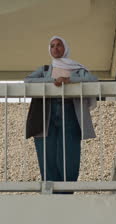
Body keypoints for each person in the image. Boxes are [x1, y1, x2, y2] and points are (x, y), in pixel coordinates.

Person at [24, 36, 97, 193]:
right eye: (52, 46)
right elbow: (27, 81)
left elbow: (93, 80)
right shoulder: (45, 70)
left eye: (59, 45)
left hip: (70, 109)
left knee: (70, 151)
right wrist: (52, 81)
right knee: (47, 151)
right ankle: (51, 191)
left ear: (65, 48)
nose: (55, 48)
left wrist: (69, 80)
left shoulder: (76, 68)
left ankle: (66, 190)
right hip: (47, 112)